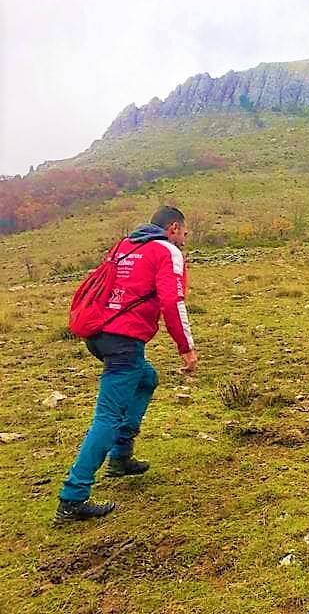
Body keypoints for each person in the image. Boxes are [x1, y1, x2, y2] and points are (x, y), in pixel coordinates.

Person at [56, 206, 198, 521]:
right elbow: (172, 302)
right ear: (173, 228)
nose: (185, 239)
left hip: (98, 334)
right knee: (107, 415)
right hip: (123, 342)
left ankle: (121, 457)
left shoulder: (126, 245)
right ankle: (73, 496)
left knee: (146, 378)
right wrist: (186, 349)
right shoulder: (166, 250)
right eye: (185, 233)